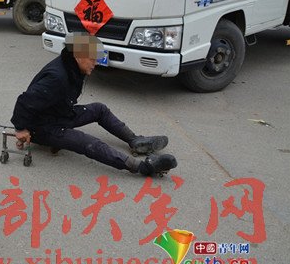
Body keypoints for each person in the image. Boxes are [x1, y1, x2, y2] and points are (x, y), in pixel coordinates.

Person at [10, 35, 177, 176]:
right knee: (88, 142)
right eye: (92, 59)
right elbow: (24, 102)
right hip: (42, 127)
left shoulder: (72, 66)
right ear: (78, 56)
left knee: (99, 109)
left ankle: (135, 141)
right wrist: (21, 129)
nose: (95, 63)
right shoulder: (56, 77)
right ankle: (141, 167)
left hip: (60, 114)